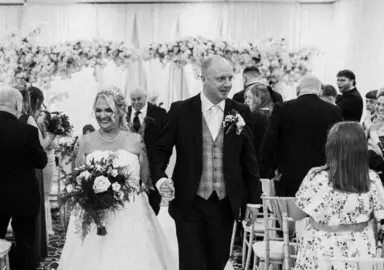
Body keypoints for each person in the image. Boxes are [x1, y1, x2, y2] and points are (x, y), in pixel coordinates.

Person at [152, 56, 261, 270]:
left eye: (230, 77)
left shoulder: (240, 111)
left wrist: (253, 201)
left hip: (226, 203)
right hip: (189, 202)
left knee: (217, 263)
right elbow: (160, 151)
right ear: (203, 78)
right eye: (221, 78)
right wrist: (160, 178)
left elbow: (249, 159)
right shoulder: (180, 110)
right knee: (192, 263)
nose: (228, 84)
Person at [57, 86, 177, 270]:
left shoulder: (136, 140)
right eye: (98, 110)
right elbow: (78, 180)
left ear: (120, 112)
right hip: (95, 217)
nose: (102, 115)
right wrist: (93, 193)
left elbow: (145, 181)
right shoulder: (85, 141)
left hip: (131, 217)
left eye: (108, 110)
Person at [290, 122, 384, 269]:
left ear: (331, 147)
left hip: (321, 248)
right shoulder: (372, 179)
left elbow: (296, 214)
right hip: (360, 248)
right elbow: (379, 214)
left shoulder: (319, 177)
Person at [0, 88, 47, 270]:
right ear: (18, 105)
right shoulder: (28, 131)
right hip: (23, 197)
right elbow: (41, 161)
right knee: (25, 245)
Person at [260, 75, 342, 196]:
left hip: (289, 174)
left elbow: (270, 142)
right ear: (320, 91)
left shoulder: (282, 108)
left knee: (289, 213)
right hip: (322, 176)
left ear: (298, 89)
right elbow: (339, 144)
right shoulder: (334, 111)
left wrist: (269, 170)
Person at [18, 87, 49, 262]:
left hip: (20, 169)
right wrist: (52, 136)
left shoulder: (16, 118)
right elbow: (40, 147)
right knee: (35, 210)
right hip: (34, 169)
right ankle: (36, 250)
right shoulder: (28, 119)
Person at [127, 87, 167, 215]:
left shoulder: (159, 113)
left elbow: (165, 140)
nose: (136, 102)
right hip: (129, 168)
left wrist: (161, 164)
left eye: (139, 99)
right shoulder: (123, 113)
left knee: (153, 206)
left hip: (153, 167)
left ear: (146, 98)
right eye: (133, 99)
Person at [245, 83, 274, 178]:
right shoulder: (273, 115)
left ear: (259, 98)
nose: (246, 102)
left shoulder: (253, 117)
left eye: (249, 98)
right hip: (270, 167)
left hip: (255, 167)